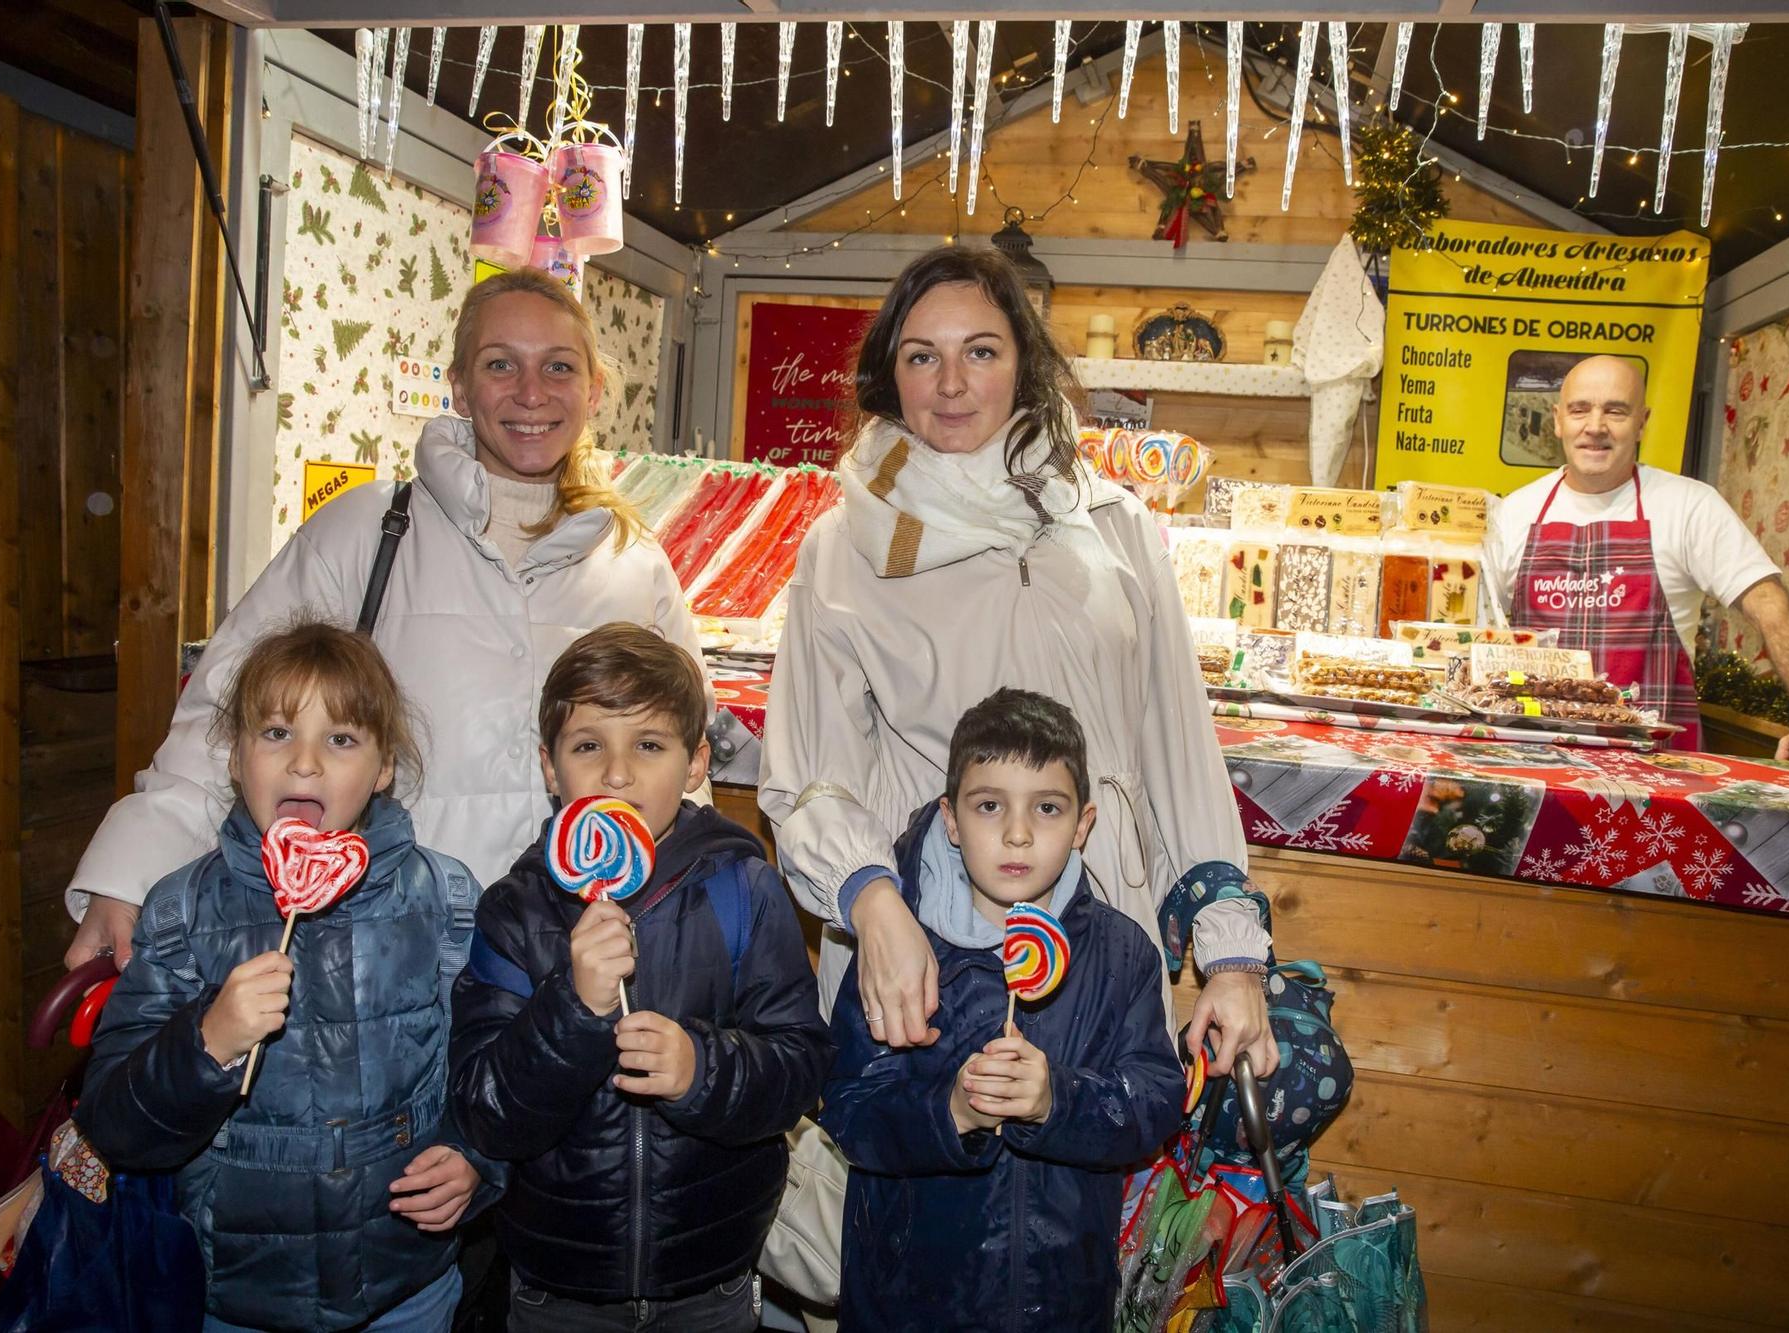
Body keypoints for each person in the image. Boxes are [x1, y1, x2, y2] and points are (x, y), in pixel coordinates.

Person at [66, 269, 704, 970]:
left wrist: (684, 933)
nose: (531, 393)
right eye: (501, 364)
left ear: (593, 391)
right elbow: (231, 712)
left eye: (558, 366)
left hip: (573, 961)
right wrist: (126, 876)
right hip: (392, 957)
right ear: (459, 385)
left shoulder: (634, 563)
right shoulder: (367, 532)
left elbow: (682, 764)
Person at [758, 245, 1277, 1075]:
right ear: (891, 376)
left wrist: (1232, 955)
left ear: (1024, 362)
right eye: (922, 356)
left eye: (981, 351)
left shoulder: (1110, 526)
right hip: (923, 927)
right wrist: (872, 899)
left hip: (1102, 920)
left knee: (1081, 1172)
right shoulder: (846, 546)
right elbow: (811, 777)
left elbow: (1176, 749)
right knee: (924, 1178)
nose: (952, 383)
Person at [75, 622, 499, 1332]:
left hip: (408, 1288)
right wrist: (207, 1041)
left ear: (385, 766)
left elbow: (494, 1072)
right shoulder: (181, 912)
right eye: (275, 733)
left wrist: (478, 1157)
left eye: (341, 739)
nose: (304, 763)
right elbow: (113, 1124)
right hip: (233, 1298)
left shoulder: (448, 901)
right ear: (236, 758)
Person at [450, 624, 831, 1332]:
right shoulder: (516, 908)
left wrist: (701, 1068)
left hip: (710, 1279)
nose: (617, 774)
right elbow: (484, 1109)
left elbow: (800, 1070)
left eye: (649, 745)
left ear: (696, 763)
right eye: (588, 745)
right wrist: (574, 1007)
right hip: (554, 1288)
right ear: (549, 766)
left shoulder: (743, 888)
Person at [822, 689, 1184, 1331]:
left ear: (1083, 825)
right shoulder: (900, 947)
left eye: (1047, 808)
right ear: (952, 820)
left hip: (1063, 1299)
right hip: (911, 1300)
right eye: (990, 806)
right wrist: (951, 1112)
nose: (1017, 833)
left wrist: (1058, 1100)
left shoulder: (1123, 952)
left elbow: (1153, 1101)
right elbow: (852, 1109)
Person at [1483, 353, 1789, 760]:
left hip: (1656, 768)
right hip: (1532, 756)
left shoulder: (1689, 506)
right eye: (1580, 409)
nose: (1595, 426)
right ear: (1557, 420)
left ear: (1642, 422)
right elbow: (1475, 634)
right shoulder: (1512, 513)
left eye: (1615, 411)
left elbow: (1770, 603)